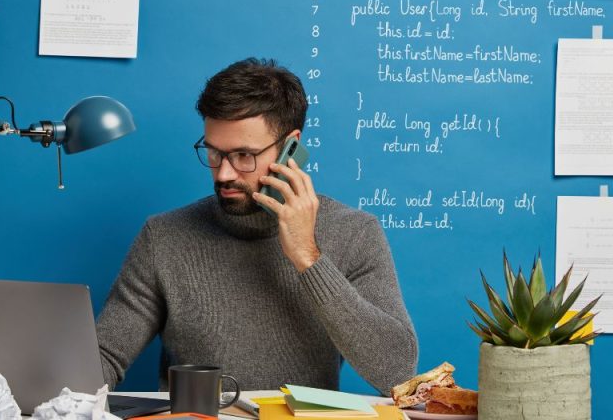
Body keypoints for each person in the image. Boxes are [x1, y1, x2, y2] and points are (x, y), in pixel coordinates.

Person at [96, 58, 418, 394]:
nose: (224, 174)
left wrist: (308, 258)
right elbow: (105, 355)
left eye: (244, 155)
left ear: (290, 146)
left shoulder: (354, 234)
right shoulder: (164, 237)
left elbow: (396, 372)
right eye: (214, 152)